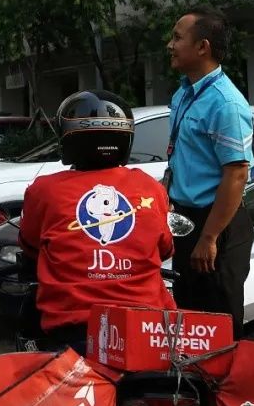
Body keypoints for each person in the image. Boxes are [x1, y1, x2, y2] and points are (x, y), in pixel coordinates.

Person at [19, 90, 176, 354]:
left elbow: (30, 244)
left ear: (67, 138)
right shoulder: (150, 189)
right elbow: (165, 249)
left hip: (73, 329)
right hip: (148, 327)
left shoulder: (44, 190)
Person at [164, 5, 254, 336]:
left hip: (217, 224)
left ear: (202, 47)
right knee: (188, 320)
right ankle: (194, 387)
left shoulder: (225, 102)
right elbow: (181, 156)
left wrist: (209, 237)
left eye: (177, 37)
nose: (170, 45)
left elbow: (236, 174)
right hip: (187, 221)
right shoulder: (184, 92)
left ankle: (222, 386)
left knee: (218, 324)